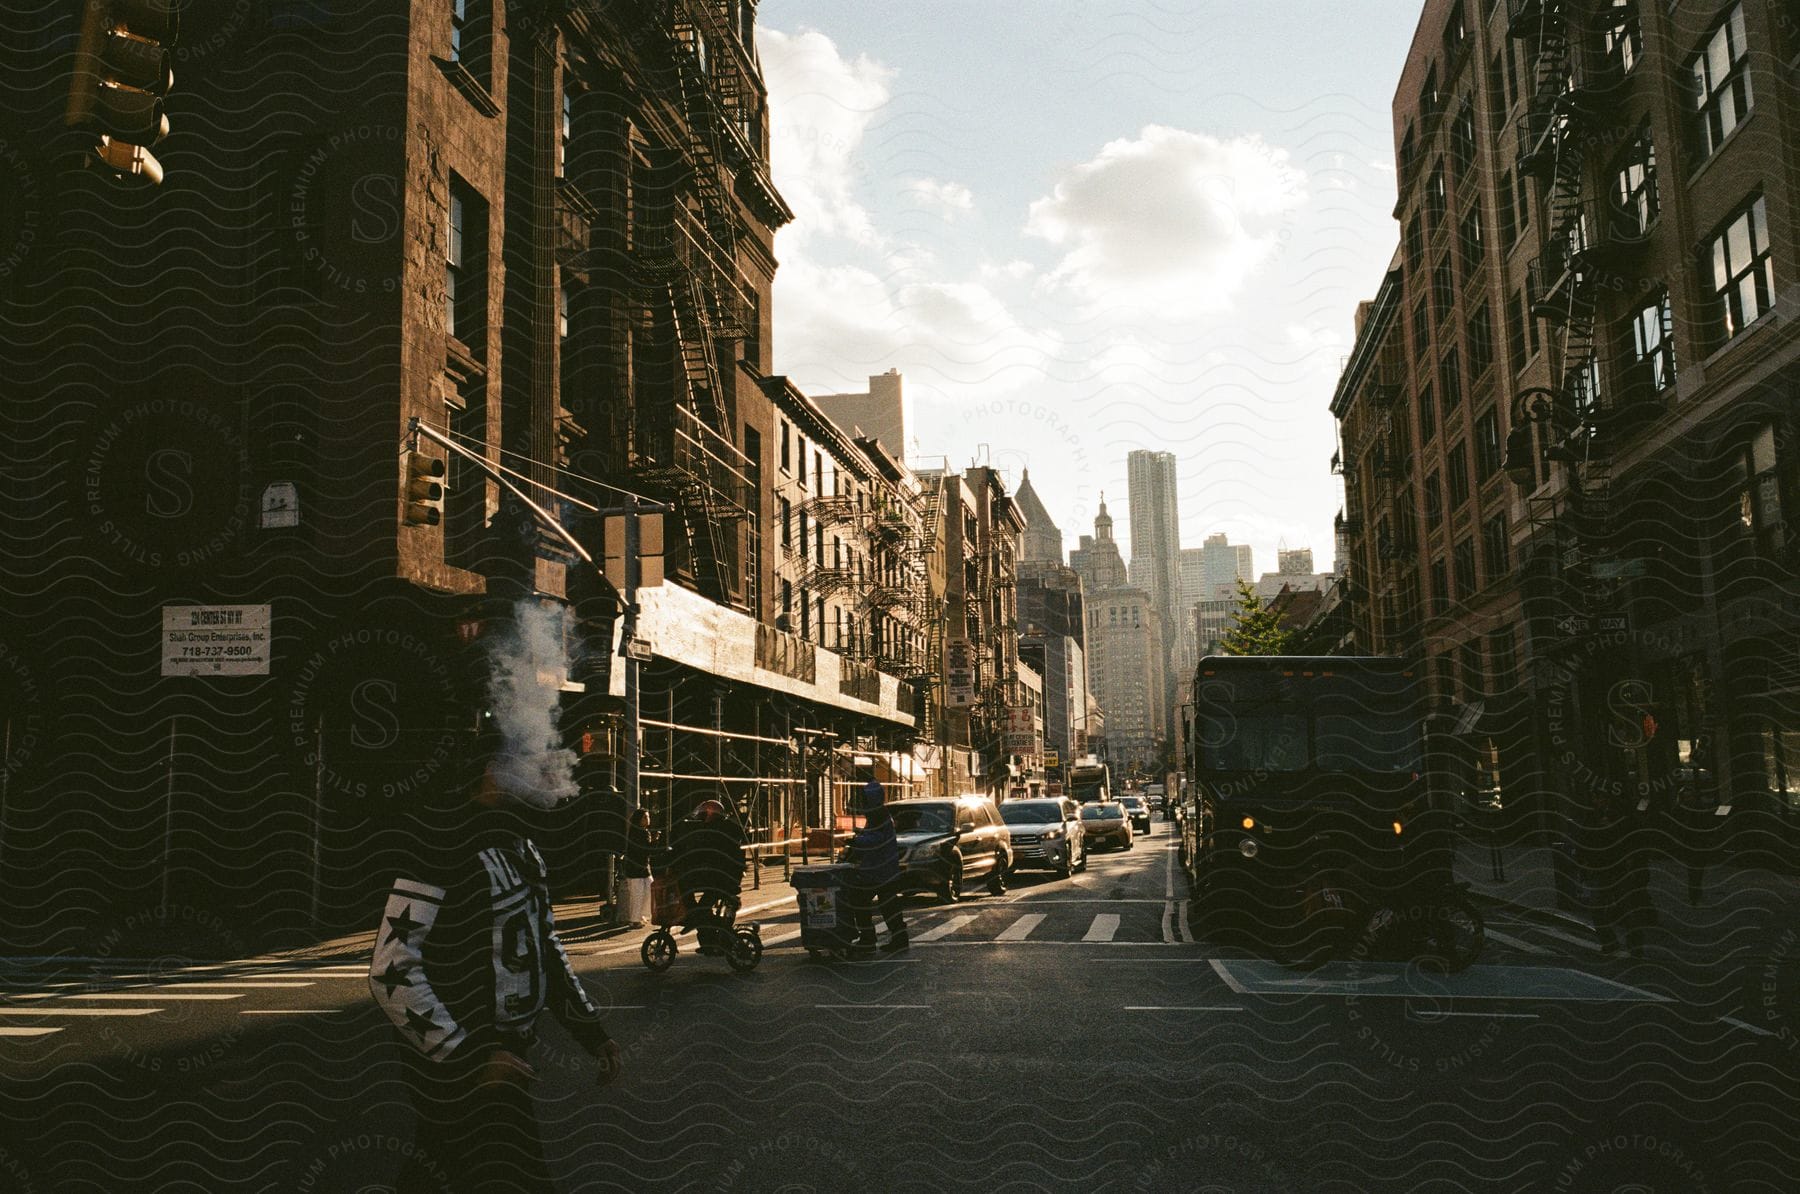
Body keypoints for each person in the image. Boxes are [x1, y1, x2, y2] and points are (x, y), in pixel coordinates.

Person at [369, 742, 623, 1193]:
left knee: (440, 1172)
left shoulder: (521, 847)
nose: (541, 777)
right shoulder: (440, 841)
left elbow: (543, 945)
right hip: (458, 1065)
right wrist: (471, 1058)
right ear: (492, 773)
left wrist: (591, 1031)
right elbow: (392, 968)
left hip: (502, 1057)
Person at [668, 796, 746, 952]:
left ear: (710, 814)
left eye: (703, 814)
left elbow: (704, 855)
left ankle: (708, 932)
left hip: (721, 880)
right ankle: (707, 941)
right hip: (720, 878)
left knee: (698, 905)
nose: (700, 817)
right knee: (698, 904)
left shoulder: (713, 832)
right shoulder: (723, 829)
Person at [845, 782, 909, 955]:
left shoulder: (878, 815)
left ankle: (869, 940)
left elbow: (875, 840)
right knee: (887, 905)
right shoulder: (878, 815)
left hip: (880, 870)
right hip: (879, 869)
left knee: (863, 901)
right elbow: (873, 836)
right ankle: (897, 939)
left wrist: (856, 841)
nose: (862, 802)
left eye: (865, 798)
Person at [620, 808, 656, 928]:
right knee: (638, 894)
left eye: (648, 816)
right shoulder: (638, 832)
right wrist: (655, 842)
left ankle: (641, 915)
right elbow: (644, 849)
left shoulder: (641, 831)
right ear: (638, 820)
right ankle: (634, 919)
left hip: (642, 868)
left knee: (648, 890)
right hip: (636, 869)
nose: (647, 819)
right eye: (645, 817)